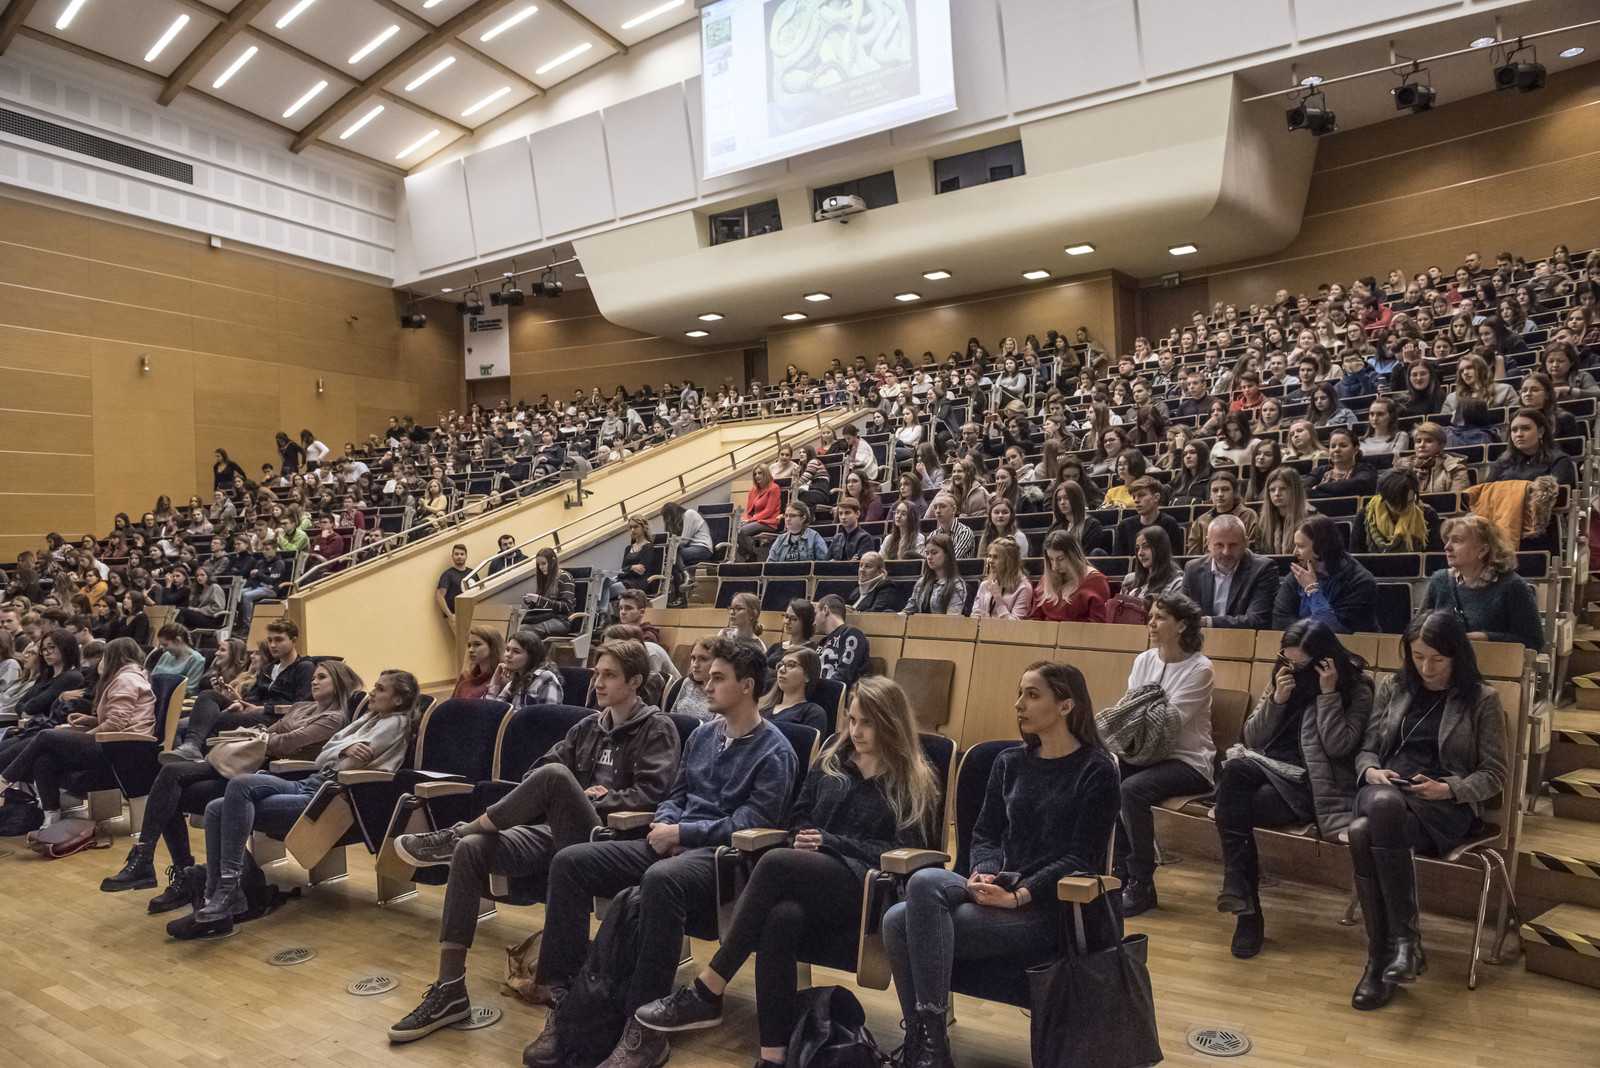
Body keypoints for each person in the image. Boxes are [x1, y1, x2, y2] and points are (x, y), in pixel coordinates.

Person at [387, 641, 681, 1042]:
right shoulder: (587, 727)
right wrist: (570, 795)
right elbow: (535, 774)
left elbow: (653, 794)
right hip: (555, 830)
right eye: (597, 673)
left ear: (635, 681)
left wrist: (595, 799)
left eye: (610, 675)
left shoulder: (656, 728)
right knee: (474, 850)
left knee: (557, 779)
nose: (597, 682)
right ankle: (450, 987)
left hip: (610, 839)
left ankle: (460, 831)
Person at [634, 678, 937, 1067]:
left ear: (890, 723)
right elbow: (798, 816)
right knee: (780, 918)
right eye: (851, 719)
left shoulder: (913, 779)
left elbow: (907, 853)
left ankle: (710, 988)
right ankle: (773, 1057)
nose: (855, 731)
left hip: (867, 888)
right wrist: (804, 837)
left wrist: (831, 843)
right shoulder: (832, 759)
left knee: (775, 862)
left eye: (867, 723)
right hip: (809, 876)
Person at [524, 640, 798, 1068]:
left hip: (723, 860)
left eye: (718, 678)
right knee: (571, 861)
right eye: (709, 677)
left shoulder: (775, 751)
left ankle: (646, 1032)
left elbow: (752, 823)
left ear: (747, 686)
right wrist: (664, 824)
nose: (706, 684)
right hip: (671, 842)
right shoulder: (703, 735)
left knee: (660, 879)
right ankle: (568, 998)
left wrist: (682, 832)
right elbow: (675, 795)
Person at [882, 662, 1119, 1067]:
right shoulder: (1009, 761)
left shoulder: (1096, 769)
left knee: (897, 923)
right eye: (1019, 693)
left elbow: (1081, 858)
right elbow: (985, 833)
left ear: (1066, 705)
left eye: (1032, 695)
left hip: (1044, 907)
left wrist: (1019, 895)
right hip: (995, 887)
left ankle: (927, 1049)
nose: (1018, 704)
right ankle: (930, 1043)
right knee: (922, 883)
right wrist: (985, 871)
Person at [168, 669, 420, 940]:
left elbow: (347, 764)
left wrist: (340, 751)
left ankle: (224, 895)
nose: (372, 692)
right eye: (375, 686)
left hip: (330, 797)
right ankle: (219, 896)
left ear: (398, 700)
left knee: (226, 804)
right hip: (313, 782)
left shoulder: (394, 723)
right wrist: (343, 749)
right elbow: (324, 756)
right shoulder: (369, 719)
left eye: (381, 689)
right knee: (218, 804)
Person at [1348, 612, 1506, 1010]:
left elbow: (1494, 774)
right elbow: (1367, 749)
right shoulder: (1394, 687)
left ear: (1457, 655)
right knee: (1383, 805)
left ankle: (1380, 959)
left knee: (1362, 833)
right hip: (1385, 791)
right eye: (1417, 657)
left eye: (1437, 658)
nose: (1426, 667)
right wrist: (1371, 771)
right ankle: (1406, 943)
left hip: (1440, 806)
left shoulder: (1482, 699)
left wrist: (1449, 789)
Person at [100, 660, 358, 900]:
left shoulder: (334, 718)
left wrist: (264, 739)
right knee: (169, 773)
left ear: (338, 683)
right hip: (249, 761)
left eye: (322, 677)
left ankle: (179, 874)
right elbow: (272, 733)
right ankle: (147, 857)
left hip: (268, 775)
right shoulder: (302, 707)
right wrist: (265, 738)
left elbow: (286, 743)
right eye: (314, 677)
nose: (314, 681)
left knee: (171, 796)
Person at [1213, 620, 1372, 957]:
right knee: (1237, 775)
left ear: (1324, 660)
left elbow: (1340, 746)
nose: (1292, 668)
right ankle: (1245, 902)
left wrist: (1329, 696)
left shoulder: (1357, 688)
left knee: (1234, 806)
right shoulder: (1282, 675)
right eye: (1286, 659)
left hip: (1312, 785)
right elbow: (1252, 738)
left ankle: (1245, 905)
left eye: (1301, 664)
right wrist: (1277, 700)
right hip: (1266, 770)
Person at [1115, 595, 1216, 915]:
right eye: (1151, 616)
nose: (1151, 623)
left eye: (1159, 618)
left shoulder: (1200, 669)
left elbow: (1166, 724)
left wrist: (1137, 714)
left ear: (1182, 625)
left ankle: (1142, 883)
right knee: (1104, 772)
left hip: (1189, 762)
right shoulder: (1144, 660)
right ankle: (1116, 870)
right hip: (1145, 755)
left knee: (1132, 789)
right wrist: (1136, 715)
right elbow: (1129, 714)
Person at [1, 637, 153, 831]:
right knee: (44, 760)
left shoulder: (126, 679)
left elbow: (116, 724)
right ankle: (52, 818)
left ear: (114, 656)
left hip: (120, 747)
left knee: (46, 736)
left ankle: (5, 779)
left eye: (104, 656)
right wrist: (90, 720)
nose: (101, 662)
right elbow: (121, 719)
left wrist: (89, 734)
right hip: (115, 742)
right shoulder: (126, 677)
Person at [165, 618, 314, 761]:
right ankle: (191, 747)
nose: (273, 645)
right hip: (255, 711)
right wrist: (241, 703)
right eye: (270, 640)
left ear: (294, 641)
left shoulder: (304, 667)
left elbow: (302, 707)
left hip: (276, 718)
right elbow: (255, 696)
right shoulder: (269, 669)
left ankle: (199, 756)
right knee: (208, 695)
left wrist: (262, 709)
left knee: (215, 720)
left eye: (279, 640)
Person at [1420, 516, 1543, 650]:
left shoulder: (1513, 587)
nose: (1447, 547)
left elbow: (1533, 642)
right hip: (1443, 660)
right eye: (1447, 540)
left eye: (1456, 541)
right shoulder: (1439, 580)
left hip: (1492, 662)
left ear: (1483, 550)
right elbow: (1417, 628)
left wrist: (1485, 638)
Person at [1272, 515, 1378, 633]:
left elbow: (1337, 632)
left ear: (1321, 548)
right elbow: (1280, 622)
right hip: (1303, 643)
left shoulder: (1360, 582)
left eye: (1301, 546)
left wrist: (1312, 589)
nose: (1294, 552)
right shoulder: (1298, 575)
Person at [1183, 515, 1279, 629]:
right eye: (1219, 545)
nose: (1226, 552)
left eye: (1233, 545)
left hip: (1243, 639)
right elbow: (1183, 615)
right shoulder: (1192, 569)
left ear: (1245, 543)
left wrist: (1207, 622)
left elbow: (1256, 620)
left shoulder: (1263, 568)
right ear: (1208, 543)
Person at [1352, 469, 1441, 554]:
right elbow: (1356, 555)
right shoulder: (1365, 516)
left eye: (1409, 502)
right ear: (1384, 498)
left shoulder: (1427, 515)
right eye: (1397, 502)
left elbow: (1433, 557)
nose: (1403, 507)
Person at [1030, 530, 1110, 623]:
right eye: (1051, 559)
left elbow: (1098, 624)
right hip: (1046, 631)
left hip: (1078, 631)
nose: (1055, 565)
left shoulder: (1095, 581)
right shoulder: (1047, 578)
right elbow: (1035, 619)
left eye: (1061, 559)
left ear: (1073, 555)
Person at [760, 648, 830, 736]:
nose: (781, 669)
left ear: (808, 676)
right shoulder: (761, 704)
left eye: (790, 665)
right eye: (781, 665)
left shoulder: (813, 712)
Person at [1187, 471, 1260, 554]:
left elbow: (1252, 550)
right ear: (1210, 495)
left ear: (1235, 492)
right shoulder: (1201, 521)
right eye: (1215, 490)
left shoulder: (1248, 516)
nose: (1220, 494)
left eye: (1225, 489)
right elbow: (1194, 555)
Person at [487, 629, 565, 707]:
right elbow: (492, 710)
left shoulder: (546, 678)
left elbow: (549, 713)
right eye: (507, 650)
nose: (508, 655)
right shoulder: (514, 681)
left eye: (516, 651)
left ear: (532, 656)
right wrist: (496, 680)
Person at [1112, 477, 1183, 557]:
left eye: (1141, 495)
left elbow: (1175, 559)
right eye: (1134, 497)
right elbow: (1117, 561)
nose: (1136, 500)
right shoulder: (1124, 525)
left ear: (1156, 497)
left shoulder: (1169, 523)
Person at [900, 533, 966, 618]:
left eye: (934, 553)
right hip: (920, 626)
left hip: (942, 626)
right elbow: (908, 610)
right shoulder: (921, 582)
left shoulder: (956, 584)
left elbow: (952, 619)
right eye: (927, 553)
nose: (929, 557)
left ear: (947, 555)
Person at [662, 502, 714, 607]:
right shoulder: (681, 520)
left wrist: (669, 544)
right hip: (690, 549)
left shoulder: (689, 513)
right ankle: (679, 596)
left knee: (673, 555)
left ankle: (686, 577)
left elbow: (684, 540)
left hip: (703, 548)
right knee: (672, 558)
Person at [1306, 426, 1378, 499]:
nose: (1336, 449)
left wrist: (1319, 487)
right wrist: (1340, 494)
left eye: (1343, 446)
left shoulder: (1367, 469)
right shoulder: (1320, 471)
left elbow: (1360, 484)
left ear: (1355, 450)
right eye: (1333, 446)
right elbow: (1303, 491)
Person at [971, 538, 1034, 621]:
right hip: (984, 629)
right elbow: (975, 616)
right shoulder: (985, 585)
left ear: (1009, 561)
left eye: (996, 557)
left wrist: (998, 598)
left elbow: (1015, 624)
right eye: (990, 556)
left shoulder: (1023, 588)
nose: (990, 561)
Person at [1258, 467, 1316, 556]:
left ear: (1295, 490)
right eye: (1272, 490)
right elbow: (1258, 553)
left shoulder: (1312, 518)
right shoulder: (1263, 521)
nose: (1277, 493)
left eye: (1283, 488)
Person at [522, 547, 577, 639]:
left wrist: (540, 600)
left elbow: (567, 606)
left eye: (543, 563)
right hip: (546, 617)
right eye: (539, 564)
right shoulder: (544, 578)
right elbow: (542, 606)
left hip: (562, 620)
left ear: (553, 561)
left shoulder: (565, 577)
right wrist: (532, 602)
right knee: (518, 627)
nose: (541, 567)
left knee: (524, 629)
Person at [237, 541, 293, 632]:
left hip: (270, 589)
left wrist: (258, 573)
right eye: (263, 549)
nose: (264, 551)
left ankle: (249, 624)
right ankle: (238, 623)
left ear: (274, 550)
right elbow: (254, 578)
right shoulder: (261, 562)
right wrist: (253, 579)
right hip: (257, 587)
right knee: (238, 593)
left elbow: (270, 581)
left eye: (267, 549)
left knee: (246, 596)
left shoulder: (279, 564)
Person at [1399, 423, 1471, 493]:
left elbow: (1456, 499)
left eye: (1428, 441)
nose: (1422, 445)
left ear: (1441, 445)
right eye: (1418, 441)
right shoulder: (1402, 466)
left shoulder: (1455, 468)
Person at [813, 594, 868, 686]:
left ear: (825, 610)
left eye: (815, 614)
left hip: (839, 692)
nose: (813, 621)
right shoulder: (821, 642)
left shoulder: (851, 634)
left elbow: (844, 675)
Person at [1120, 525, 1183, 601]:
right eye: (1138, 548)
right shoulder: (1129, 580)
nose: (1140, 553)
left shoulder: (1177, 583)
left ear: (1161, 548)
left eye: (1146, 546)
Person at [738, 464, 783, 561]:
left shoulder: (774, 488)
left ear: (766, 474)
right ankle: (745, 556)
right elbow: (749, 510)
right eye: (755, 474)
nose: (757, 476)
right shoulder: (753, 491)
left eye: (760, 473)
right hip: (756, 521)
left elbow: (769, 511)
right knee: (734, 529)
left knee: (742, 531)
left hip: (768, 522)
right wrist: (745, 519)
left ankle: (750, 556)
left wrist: (750, 520)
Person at [664, 637, 716, 719]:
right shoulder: (686, 682)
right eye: (693, 658)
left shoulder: (724, 693)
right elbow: (671, 715)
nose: (695, 665)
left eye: (703, 659)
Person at [451, 625, 504, 701]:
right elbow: (451, 703)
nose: (470, 650)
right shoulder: (465, 676)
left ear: (493, 647)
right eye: (469, 645)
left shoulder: (501, 680)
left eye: (477, 644)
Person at [150, 623, 206, 692]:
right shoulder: (166, 655)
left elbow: (190, 690)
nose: (163, 649)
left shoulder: (196, 659)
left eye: (165, 645)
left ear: (178, 640)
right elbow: (151, 679)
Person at [764, 599, 815, 671]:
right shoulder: (775, 646)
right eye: (786, 616)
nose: (786, 621)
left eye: (793, 619)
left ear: (805, 622)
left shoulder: (810, 650)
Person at [924, 494, 976, 559]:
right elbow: (927, 559)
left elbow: (953, 559)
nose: (937, 511)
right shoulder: (933, 535)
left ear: (953, 510)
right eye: (935, 507)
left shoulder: (964, 532)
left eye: (943, 506)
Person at [435, 544, 471, 629]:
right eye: (456, 554)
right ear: (452, 556)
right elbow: (440, 596)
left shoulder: (472, 573)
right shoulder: (447, 575)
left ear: (466, 556)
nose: (459, 556)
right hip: (457, 617)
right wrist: (450, 615)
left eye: (462, 554)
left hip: (473, 614)